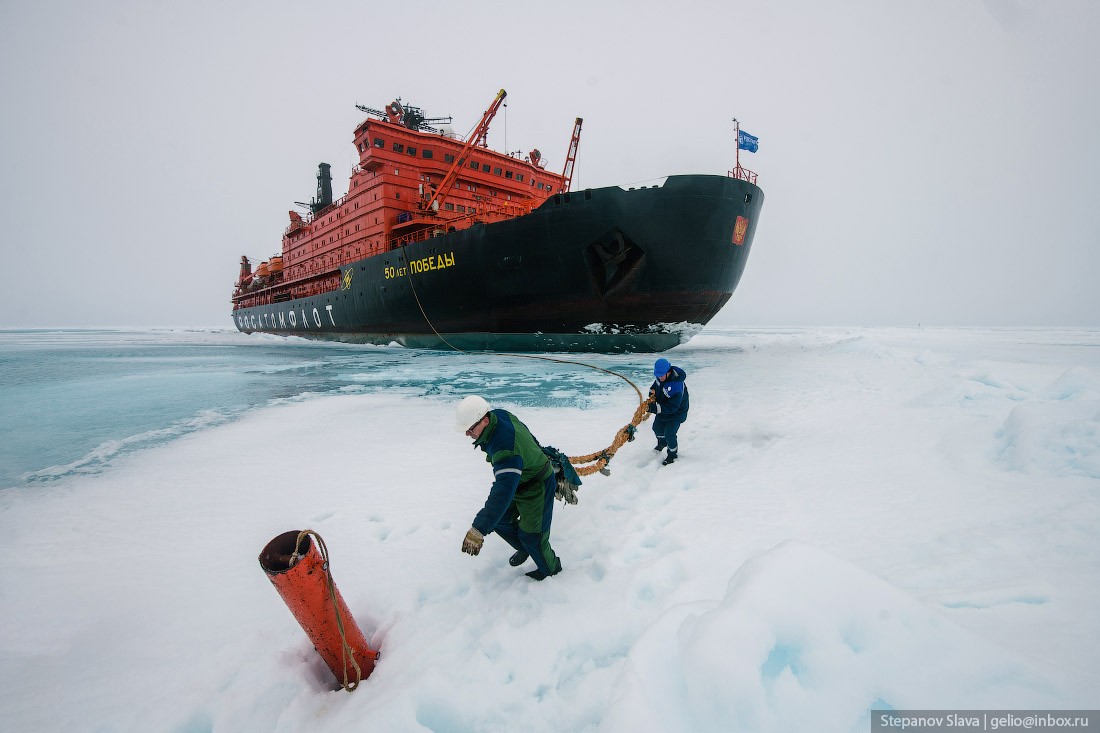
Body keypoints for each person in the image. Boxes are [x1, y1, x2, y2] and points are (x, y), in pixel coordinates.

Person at [455, 395, 563, 580]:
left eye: (470, 429)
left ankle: (551, 569)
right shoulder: (500, 415)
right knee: (501, 520)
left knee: (533, 537)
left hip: (536, 486)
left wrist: (478, 529)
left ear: (485, 421)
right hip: (518, 480)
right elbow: (526, 433)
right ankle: (525, 548)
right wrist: (533, 451)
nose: (467, 434)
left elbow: (502, 493)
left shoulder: (505, 448)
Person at [647, 357, 689, 465]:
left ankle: (672, 455)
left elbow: (673, 407)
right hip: (664, 408)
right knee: (656, 428)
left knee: (669, 433)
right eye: (658, 375)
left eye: (661, 375)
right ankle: (662, 442)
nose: (659, 377)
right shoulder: (660, 377)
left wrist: (655, 408)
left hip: (676, 412)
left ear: (668, 372)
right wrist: (651, 395)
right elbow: (654, 387)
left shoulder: (676, 385)